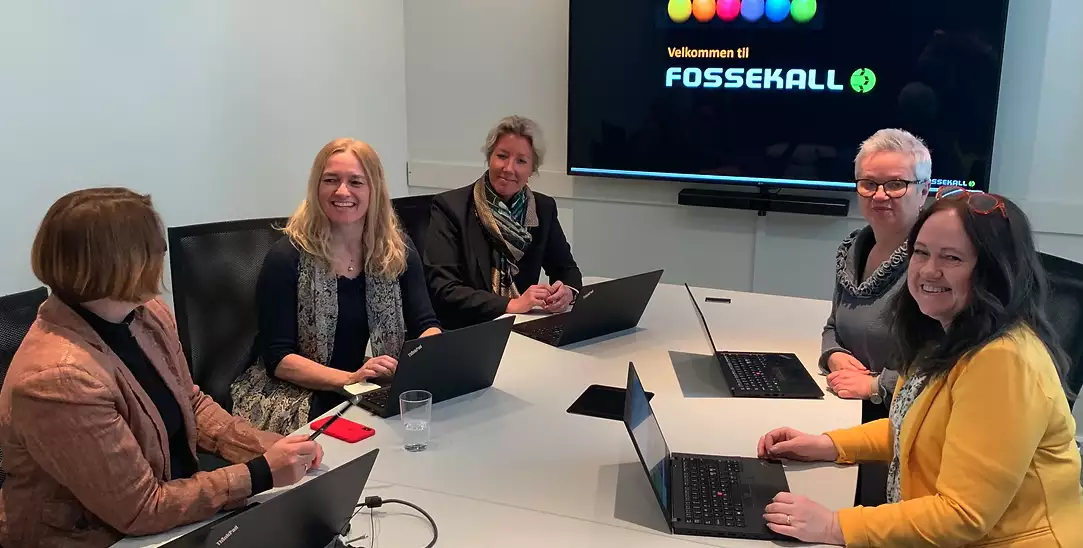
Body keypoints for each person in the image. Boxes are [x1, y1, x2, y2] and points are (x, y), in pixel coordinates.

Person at [756, 190, 1082, 547]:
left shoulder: (1002, 361)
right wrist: (826, 444)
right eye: (921, 253)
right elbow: (913, 431)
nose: (929, 270)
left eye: (952, 258)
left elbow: (962, 515)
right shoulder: (940, 331)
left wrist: (835, 525)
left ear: (993, 271)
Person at [0, 188, 322, 548]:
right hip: (97, 538)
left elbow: (191, 403)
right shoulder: (57, 379)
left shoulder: (145, 315)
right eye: (153, 247)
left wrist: (268, 447)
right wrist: (260, 473)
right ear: (121, 263)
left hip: (169, 516)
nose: (162, 254)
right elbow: (141, 509)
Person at [231, 138, 441, 435]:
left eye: (356, 181)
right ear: (317, 187)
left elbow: (426, 324)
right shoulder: (286, 257)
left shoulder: (396, 249)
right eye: (331, 180)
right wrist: (351, 378)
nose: (342, 191)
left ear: (374, 190)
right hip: (300, 391)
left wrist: (427, 360)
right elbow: (279, 359)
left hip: (368, 383)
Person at [820, 128, 931, 506]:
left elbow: (948, 361)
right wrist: (834, 356)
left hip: (910, 433)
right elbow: (833, 326)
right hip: (850, 413)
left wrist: (876, 385)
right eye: (868, 184)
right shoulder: (854, 247)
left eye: (896, 184)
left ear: (924, 189)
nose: (879, 195)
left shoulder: (933, 264)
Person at [425, 115, 583, 329]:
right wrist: (511, 304)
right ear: (489, 158)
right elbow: (444, 289)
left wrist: (566, 292)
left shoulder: (542, 209)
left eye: (521, 161)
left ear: (532, 170)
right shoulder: (450, 208)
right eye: (502, 156)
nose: (509, 168)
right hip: (468, 329)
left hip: (522, 327)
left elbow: (566, 269)